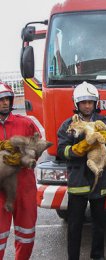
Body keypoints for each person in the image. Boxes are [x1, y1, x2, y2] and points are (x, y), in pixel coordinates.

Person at [57, 81, 106, 260]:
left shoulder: (105, 121)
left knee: (99, 223)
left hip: (100, 179)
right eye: (83, 102)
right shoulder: (67, 125)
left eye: (90, 102)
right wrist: (81, 147)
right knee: (75, 225)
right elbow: (62, 151)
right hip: (78, 181)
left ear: (96, 103)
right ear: (76, 104)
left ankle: (98, 256)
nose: (87, 105)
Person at [0, 82, 41, 260]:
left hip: (25, 187)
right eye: (0, 100)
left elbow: (38, 145)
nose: (5, 103)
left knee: (26, 234)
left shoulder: (25, 123)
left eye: (7, 99)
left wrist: (28, 155)